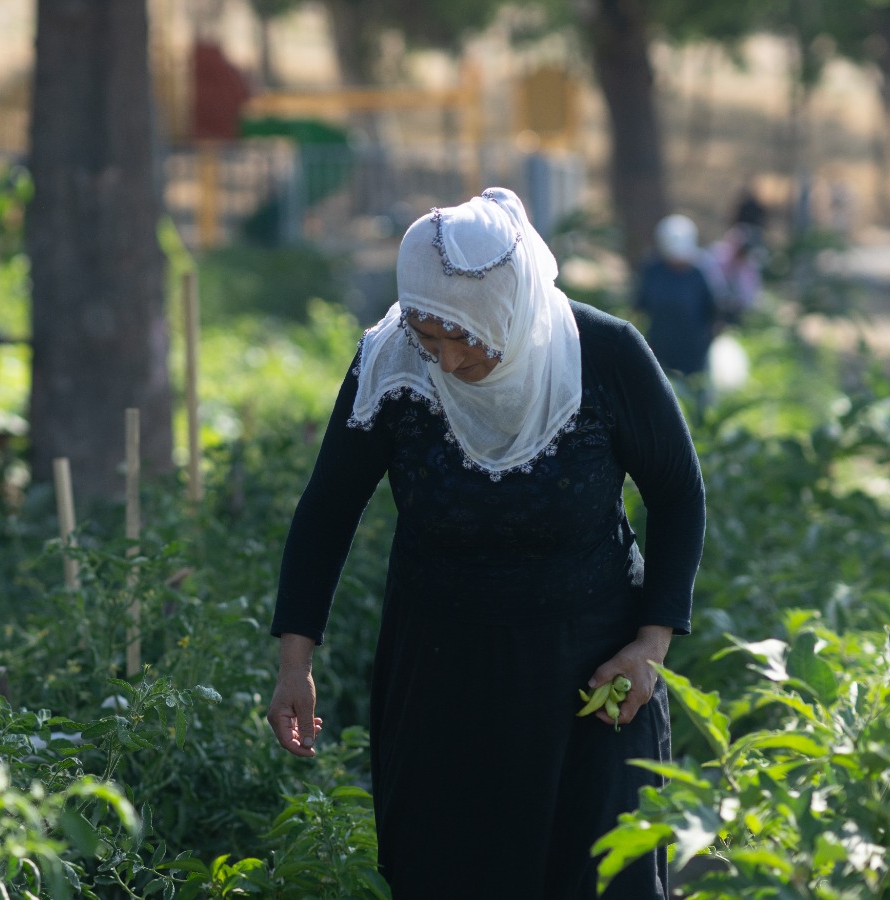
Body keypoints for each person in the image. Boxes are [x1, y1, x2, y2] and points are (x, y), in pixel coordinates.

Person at [266, 188, 705, 898]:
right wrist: (295, 659)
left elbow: (679, 495)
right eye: (426, 332)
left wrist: (650, 645)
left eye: (465, 335)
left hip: (591, 678)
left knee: (593, 879)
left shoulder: (605, 356)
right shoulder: (393, 366)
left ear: (511, 309)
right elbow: (328, 507)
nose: (444, 357)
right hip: (442, 678)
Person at [636, 213, 719, 389]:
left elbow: (712, 311)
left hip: (692, 350)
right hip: (660, 346)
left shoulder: (699, 274)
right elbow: (640, 306)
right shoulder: (653, 271)